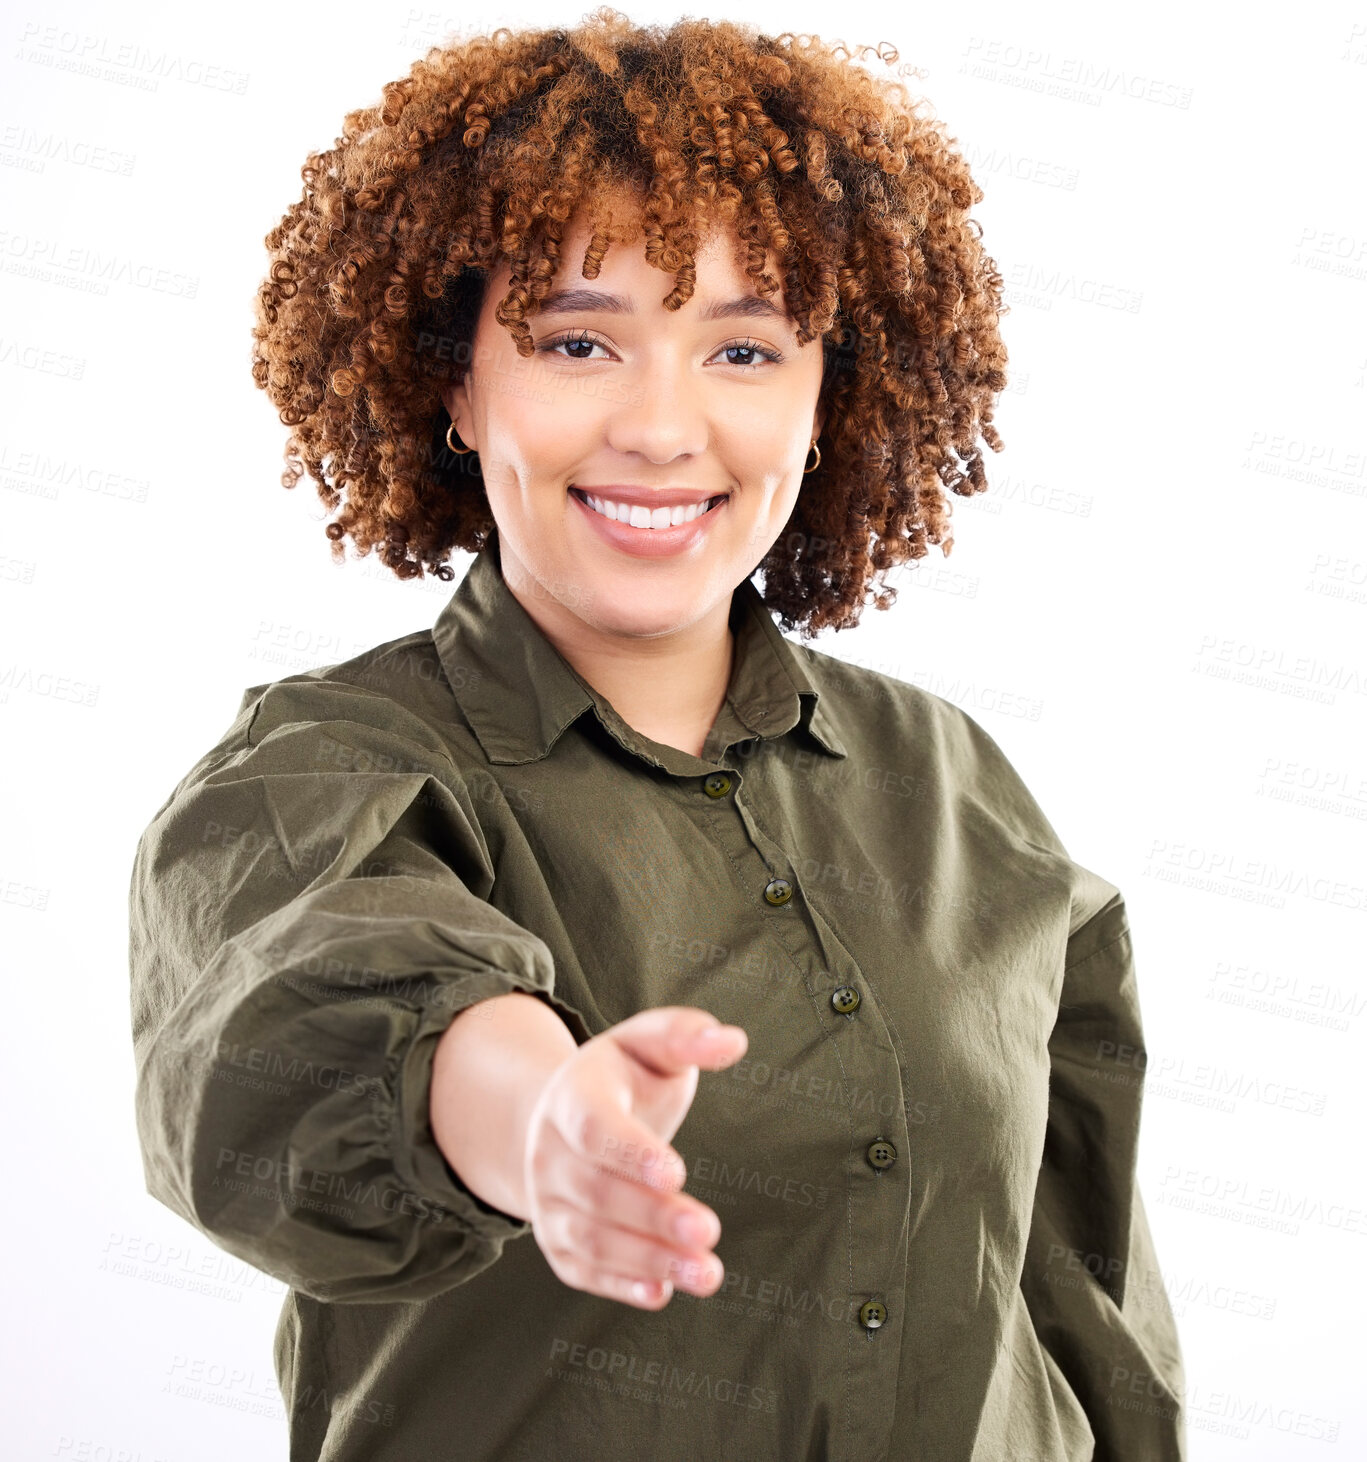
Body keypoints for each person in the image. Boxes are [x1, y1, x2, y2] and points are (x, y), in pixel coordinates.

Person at [128, 10, 1186, 1459]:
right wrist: (540, 1113)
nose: (662, 426)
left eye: (744, 351)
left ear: (831, 397)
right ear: (455, 380)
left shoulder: (951, 781)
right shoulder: (327, 769)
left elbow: (1084, 1287)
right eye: (578, 339)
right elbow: (316, 1024)